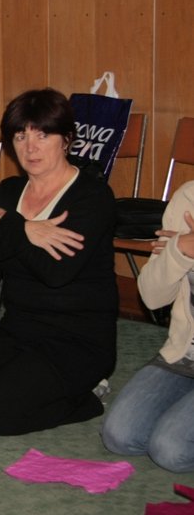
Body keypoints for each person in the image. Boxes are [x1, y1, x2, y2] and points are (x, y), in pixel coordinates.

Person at [0, 88, 118, 435]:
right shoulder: (8, 192)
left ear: (67, 139)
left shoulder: (92, 197)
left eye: (42, 135)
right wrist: (25, 229)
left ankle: (88, 397)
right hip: (19, 325)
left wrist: (10, 226)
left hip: (77, 339)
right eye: (20, 136)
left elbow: (55, 272)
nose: (30, 147)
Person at [101, 183, 194, 473]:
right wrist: (180, 250)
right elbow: (153, 298)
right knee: (120, 436)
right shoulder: (189, 196)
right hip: (184, 352)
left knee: (171, 450)